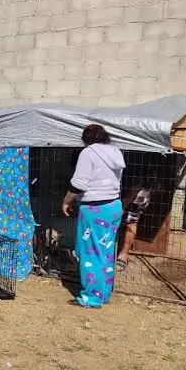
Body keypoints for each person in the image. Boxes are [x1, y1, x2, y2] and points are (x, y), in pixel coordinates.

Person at [62, 124, 126, 308]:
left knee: (91, 252)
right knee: (105, 252)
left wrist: (67, 200)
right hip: (113, 206)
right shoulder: (116, 152)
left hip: (94, 208)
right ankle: (103, 293)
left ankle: (92, 297)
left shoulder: (88, 153)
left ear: (86, 139)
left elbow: (79, 183)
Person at [116, 183, 154, 271]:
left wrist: (123, 206)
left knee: (131, 221)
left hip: (140, 189)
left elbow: (137, 181)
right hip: (122, 186)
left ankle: (123, 255)